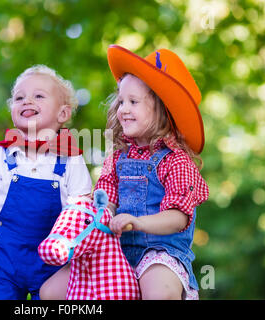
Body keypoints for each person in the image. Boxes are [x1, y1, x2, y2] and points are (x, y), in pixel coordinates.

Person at [96, 45, 209, 299]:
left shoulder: (176, 161)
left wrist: (137, 223)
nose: (122, 109)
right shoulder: (117, 158)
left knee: (157, 287)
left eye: (133, 102)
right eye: (121, 101)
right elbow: (105, 197)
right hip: (118, 252)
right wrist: (103, 212)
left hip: (162, 253)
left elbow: (178, 218)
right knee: (57, 287)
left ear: (161, 109)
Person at [0, 65, 92, 300]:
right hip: (6, 262)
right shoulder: (1, 154)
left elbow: (82, 211)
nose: (27, 100)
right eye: (19, 97)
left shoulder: (71, 159)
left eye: (38, 96)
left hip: (53, 265)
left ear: (63, 114)